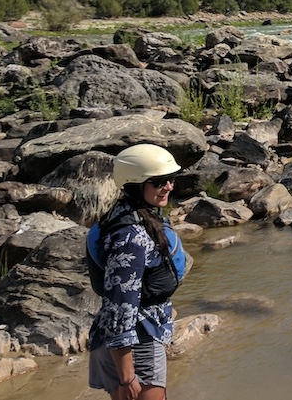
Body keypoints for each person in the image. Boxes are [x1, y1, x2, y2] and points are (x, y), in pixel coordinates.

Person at [88, 144, 186, 400]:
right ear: (134, 184)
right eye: (158, 182)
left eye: (171, 179)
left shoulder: (126, 214)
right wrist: (127, 376)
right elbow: (120, 305)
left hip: (129, 340)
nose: (169, 187)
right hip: (135, 344)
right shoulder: (130, 237)